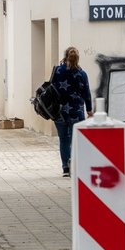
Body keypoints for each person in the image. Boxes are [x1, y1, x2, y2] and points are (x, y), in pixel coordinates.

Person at [51, 46, 94, 177]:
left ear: (65, 57)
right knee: (76, 139)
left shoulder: (58, 71)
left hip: (60, 111)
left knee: (63, 139)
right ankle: (75, 164)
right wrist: (89, 110)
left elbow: (51, 88)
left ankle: (65, 168)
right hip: (77, 112)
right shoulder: (82, 74)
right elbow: (87, 93)